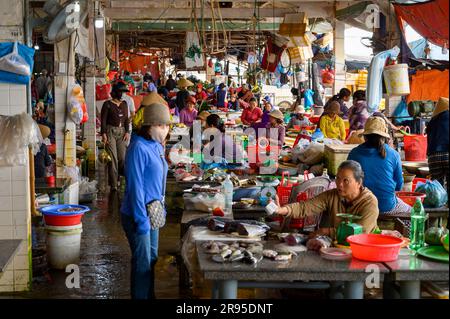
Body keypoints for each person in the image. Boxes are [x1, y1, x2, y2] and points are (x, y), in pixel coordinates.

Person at [120, 102, 171, 299]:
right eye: (160, 125)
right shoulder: (138, 148)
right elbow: (135, 188)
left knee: (152, 260)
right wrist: (141, 221)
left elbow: (160, 181)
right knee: (142, 263)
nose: (164, 130)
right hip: (137, 213)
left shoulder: (157, 146)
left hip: (154, 212)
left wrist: (162, 207)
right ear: (148, 126)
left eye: (166, 126)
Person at [272, 160, 379, 249]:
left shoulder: (370, 202)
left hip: (364, 248)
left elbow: (361, 233)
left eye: (346, 180)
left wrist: (326, 231)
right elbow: (304, 207)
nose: (340, 184)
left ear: (358, 183)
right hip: (340, 246)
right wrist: (281, 210)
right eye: (338, 178)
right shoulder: (332, 195)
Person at [348, 117, 408, 216]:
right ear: (384, 137)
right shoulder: (393, 154)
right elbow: (399, 186)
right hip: (386, 206)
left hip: (360, 206)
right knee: (411, 212)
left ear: (365, 136)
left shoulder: (354, 153)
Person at [101, 82, 131, 191]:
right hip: (110, 132)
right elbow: (103, 120)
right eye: (122, 92)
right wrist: (103, 134)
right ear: (116, 92)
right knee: (112, 159)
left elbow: (127, 119)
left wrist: (127, 132)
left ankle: (120, 177)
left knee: (122, 158)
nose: (123, 94)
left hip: (122, 132)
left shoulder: (125, 104)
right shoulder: (107, 104)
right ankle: (114, 184)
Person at [426, 97, 449, 191]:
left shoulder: (432, 121)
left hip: (433, 157)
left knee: (437, 189)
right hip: (448, 154)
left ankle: (438, 203)